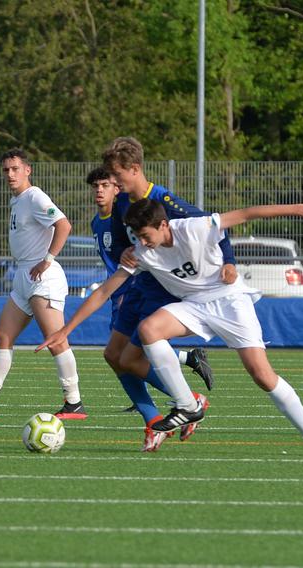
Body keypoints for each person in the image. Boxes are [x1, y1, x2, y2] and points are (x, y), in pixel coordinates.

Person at [37, 197, 303, 456]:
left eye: (145, 235)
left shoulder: (195, 228)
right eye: (136, 236)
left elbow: (247, 213)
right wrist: (65, 331)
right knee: (149, 329)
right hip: (194, 306)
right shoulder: (142, 252)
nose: (141, 243)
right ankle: (187, 405)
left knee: (262, 375)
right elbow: (104, 291)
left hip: (231, 303)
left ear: (163, 225)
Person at [100, 138, 225, 450]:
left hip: (159, 290)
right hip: (133, 287)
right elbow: (121, 249)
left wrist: (230, 263)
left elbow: (212, 225)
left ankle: (179, 407)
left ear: (135, 169)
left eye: (114, 176)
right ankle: (166, 414)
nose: (110, 183)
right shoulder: (120, 206)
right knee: (113, 356)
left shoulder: (162, 200)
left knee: (129, 357)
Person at [0, 148, 85, 420]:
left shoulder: (35, 196)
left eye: (15, 168)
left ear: (28, 170)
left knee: (55, 339)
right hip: (24, 276)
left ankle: (74, 403)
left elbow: (64, 225)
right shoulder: (18, 200)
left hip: (42, 277)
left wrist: (47, 259)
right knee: (2, 337)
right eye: (6, 170)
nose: (10, 174)